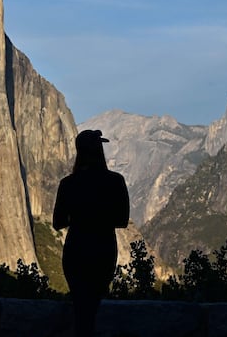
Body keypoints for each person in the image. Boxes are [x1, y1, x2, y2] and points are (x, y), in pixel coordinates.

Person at [53, 129, 130, 337]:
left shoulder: (68, 184)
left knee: (80, 305)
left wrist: (80, 216)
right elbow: (122, 221)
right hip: (103, 250)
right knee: (95, 303)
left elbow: (57, 223)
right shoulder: (115, 181)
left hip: (76, 250)